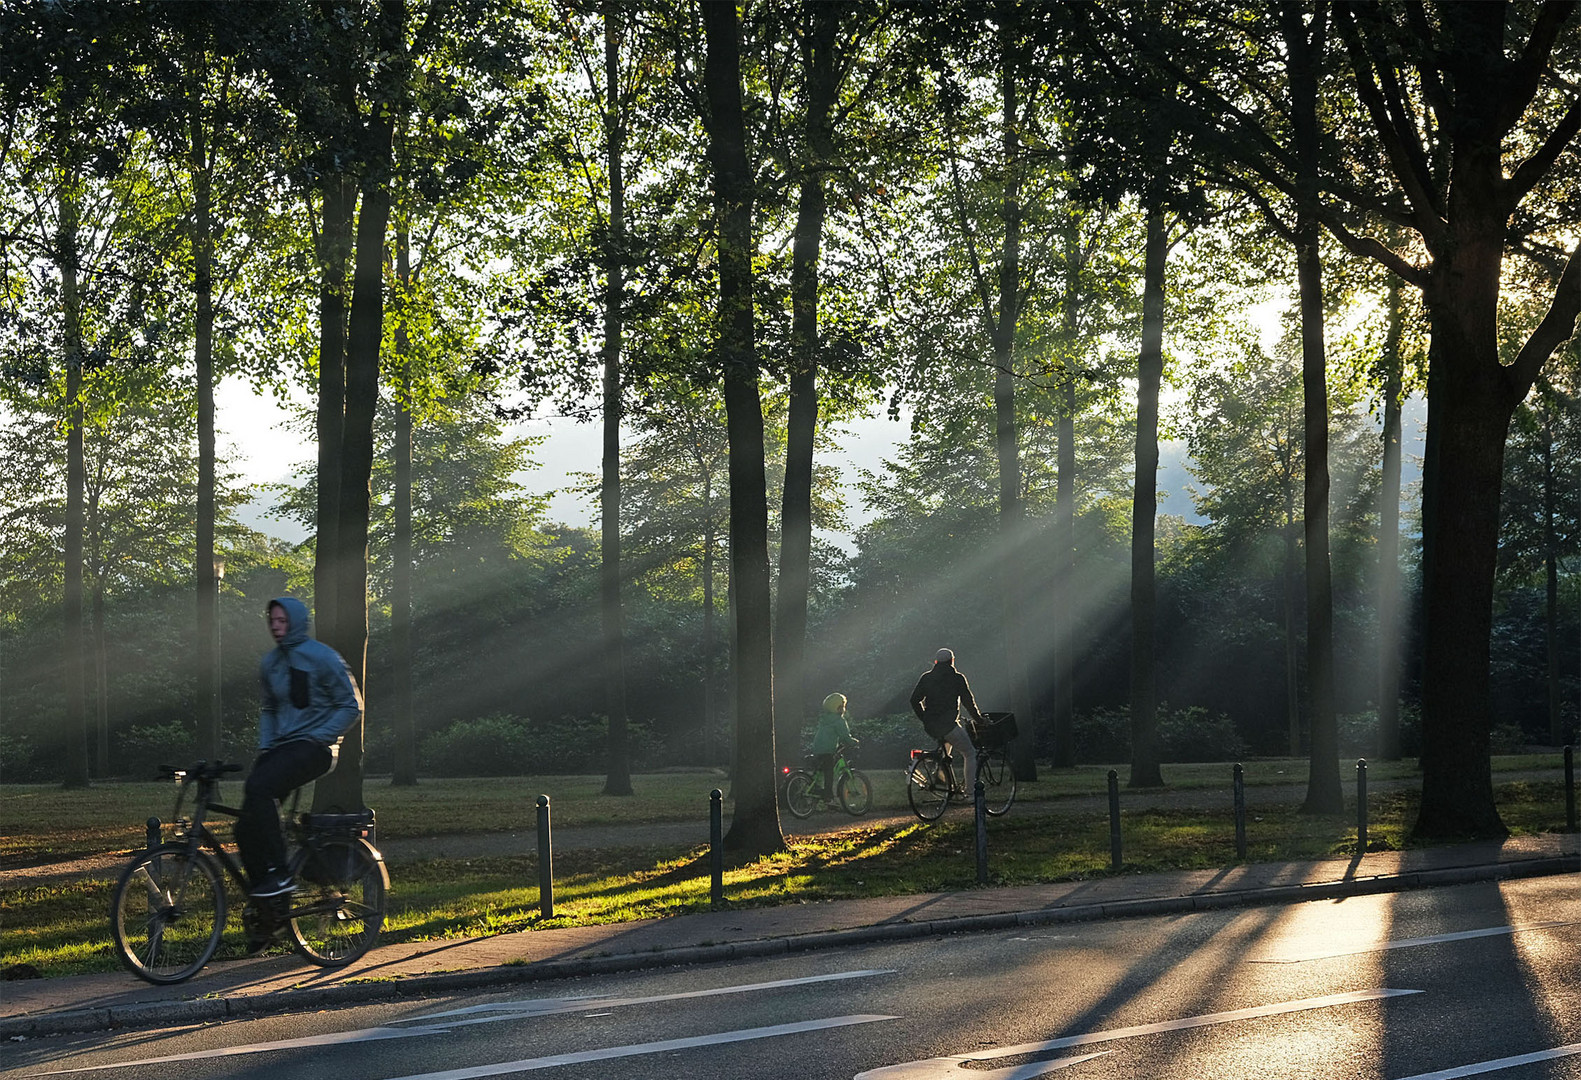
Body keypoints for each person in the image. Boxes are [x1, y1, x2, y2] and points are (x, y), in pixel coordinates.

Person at [236, 597, 363, 903]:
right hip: (281, 748)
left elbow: (352, 705)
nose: (276, 628)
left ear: (296, 621)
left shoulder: (323, 658)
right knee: (245, 824)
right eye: (272, 622)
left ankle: (280, 874)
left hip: (315, 749)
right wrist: (266, 746)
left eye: (283, 621)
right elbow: (269, 708)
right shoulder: (270, 663)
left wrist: (319, 736)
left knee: (259, 788)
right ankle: (267, 901)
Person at [909, 648, 981, 793]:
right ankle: (970, 792)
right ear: (952, 661)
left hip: (931, 725)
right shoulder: (957, 678)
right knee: (970, 753)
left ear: (936, 662)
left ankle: (944, 783)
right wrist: (978, 719)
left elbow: (914, 700)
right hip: (948, 725)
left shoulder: (927, 677)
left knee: (945, 752)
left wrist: (925, 718)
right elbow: (968, 702)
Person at [809, 692, 858, 799]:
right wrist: (853, 742)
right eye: (842, 707)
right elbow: (845, 736)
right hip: (827, 750)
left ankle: (816, 789)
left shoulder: (825, 719)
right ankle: (828, 795)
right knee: (829, 772)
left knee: (820, 772)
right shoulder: (838, 720)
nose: (843, 709)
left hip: (817, 748)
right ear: (837, 708)